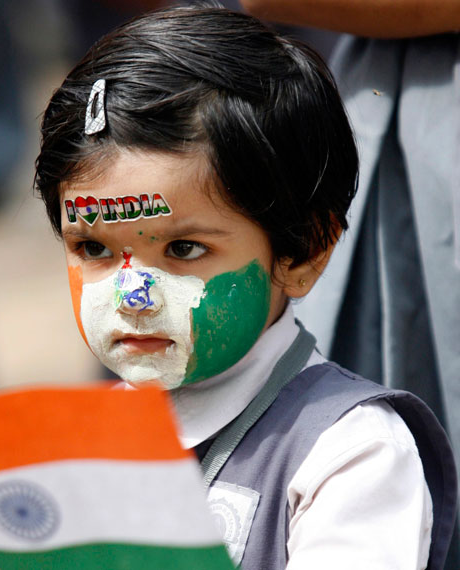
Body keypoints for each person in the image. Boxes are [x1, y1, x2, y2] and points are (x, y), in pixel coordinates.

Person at [34, 5, 457, 569]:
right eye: (93, 250)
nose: (131, 296)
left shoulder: (352, 456)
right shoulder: (79, 448)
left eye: (183, 250)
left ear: (303, 250)